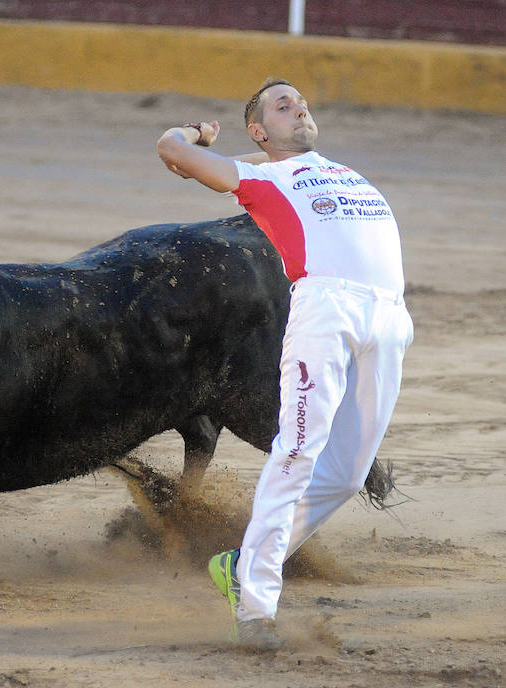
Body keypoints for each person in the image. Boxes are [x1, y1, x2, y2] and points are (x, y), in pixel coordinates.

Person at [157, 78, 413, 651]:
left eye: (301, 103)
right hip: (326, 312)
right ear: (258, 130)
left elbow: (266, 160)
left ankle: (244, 564)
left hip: (390, 319)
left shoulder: (329, 170)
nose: (299, 108)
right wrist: (195, 138)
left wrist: (253, 153)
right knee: (296, 453)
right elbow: (171, 149)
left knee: (345, 476)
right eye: (283, 105)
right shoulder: (263, 180)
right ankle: (255, 610)